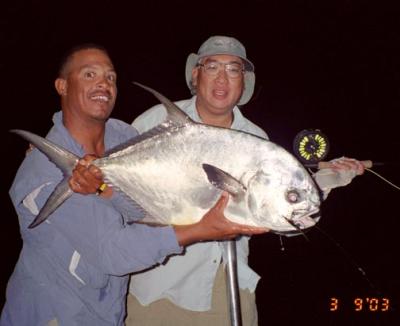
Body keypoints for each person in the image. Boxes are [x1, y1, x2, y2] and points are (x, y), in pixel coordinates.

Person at [0, 44, 267, 326]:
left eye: (110, 77)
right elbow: (112, 252)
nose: (103, 83)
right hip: (57, 313)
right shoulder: (42, 172)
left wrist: (104, 187)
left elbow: (136, 205)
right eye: (89, 74)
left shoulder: (120, 136)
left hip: (110, 312)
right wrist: (200, 229)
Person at [126, 35, 365, 326]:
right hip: (159, 286)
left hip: (228, 288)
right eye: (212, 66)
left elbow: (273, 218)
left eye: (233, 69)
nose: (222, 78)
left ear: (243, 81)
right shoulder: (154, 121)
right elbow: (113, 198)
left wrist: (323, 183)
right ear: (196, 74)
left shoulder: (257, 140)